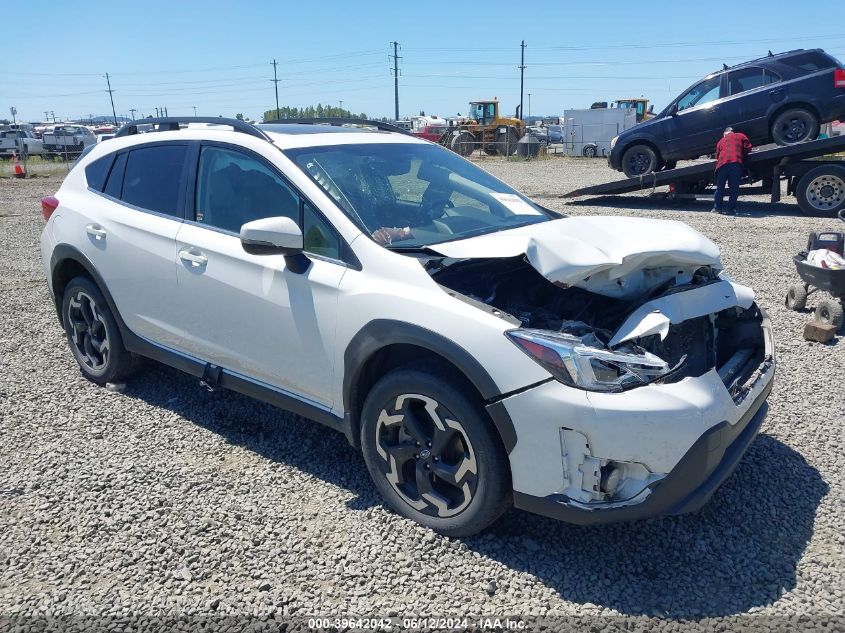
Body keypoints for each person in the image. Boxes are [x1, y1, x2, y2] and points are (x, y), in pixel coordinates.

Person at [713, 126, 752, 214]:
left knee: (720, 188)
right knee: (734, 188)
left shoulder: (720, 141)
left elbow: (717, 156)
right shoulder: (740, 136)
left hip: (722, 165)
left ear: (725, 133)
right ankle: (730, 209)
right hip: (735, 163)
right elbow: (748, 147)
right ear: (732, 132)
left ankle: (717, 209)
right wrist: (742, 155)